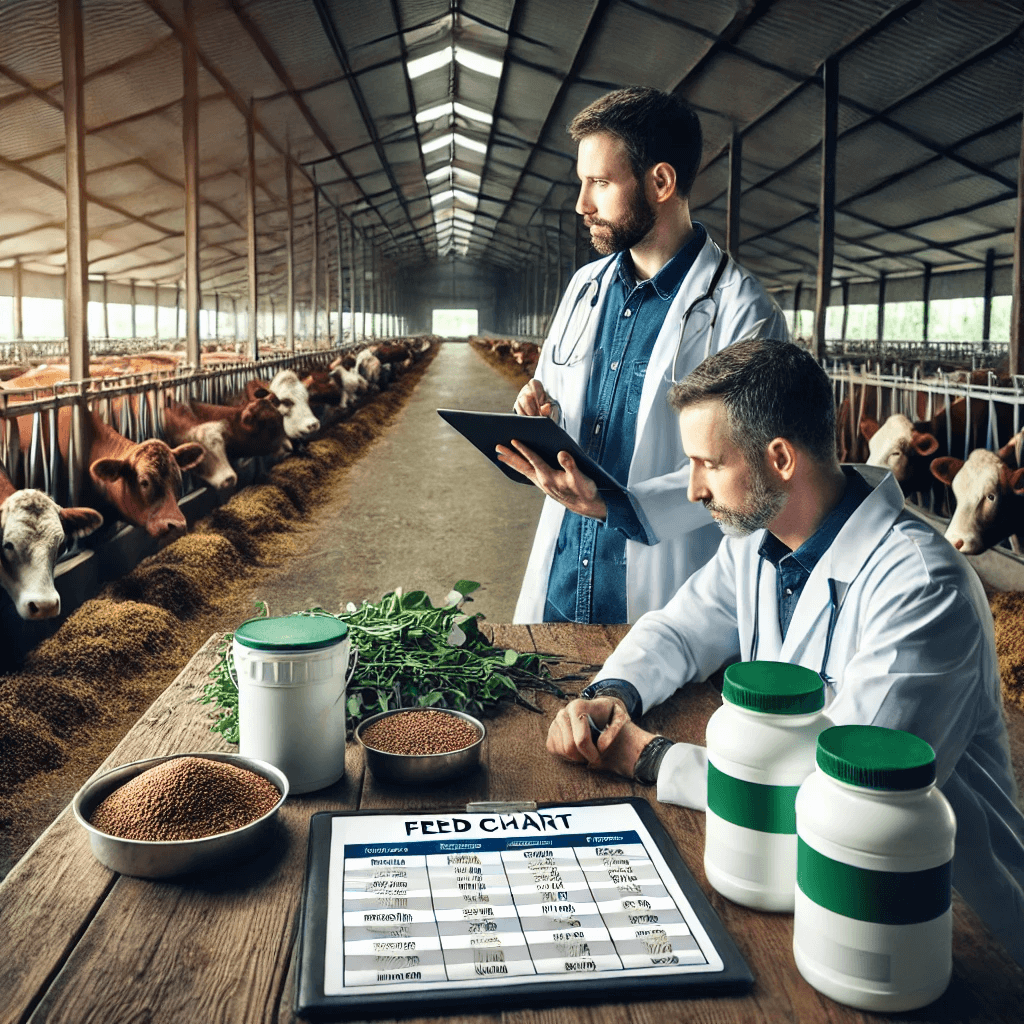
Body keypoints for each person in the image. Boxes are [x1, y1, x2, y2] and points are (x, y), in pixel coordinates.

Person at [545, 338, 1024, 967]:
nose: (693, 489)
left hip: (944, 925)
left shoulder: (920, 585)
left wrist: (653, 757)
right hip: (800, 891)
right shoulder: (757, 540)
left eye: (708, 464)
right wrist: (613, 692)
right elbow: (682, 628)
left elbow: (847, 798)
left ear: (779, 458)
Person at [497, 87, 788, 625]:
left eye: (600, 183)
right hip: (563, 584)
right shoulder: (584, 287)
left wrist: (617, 505)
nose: (582, 204)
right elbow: (550, 394)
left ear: (660, 182)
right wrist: (537, 415)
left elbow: (744, 471)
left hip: (661, 595)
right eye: (582, 183)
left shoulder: (743, 311)